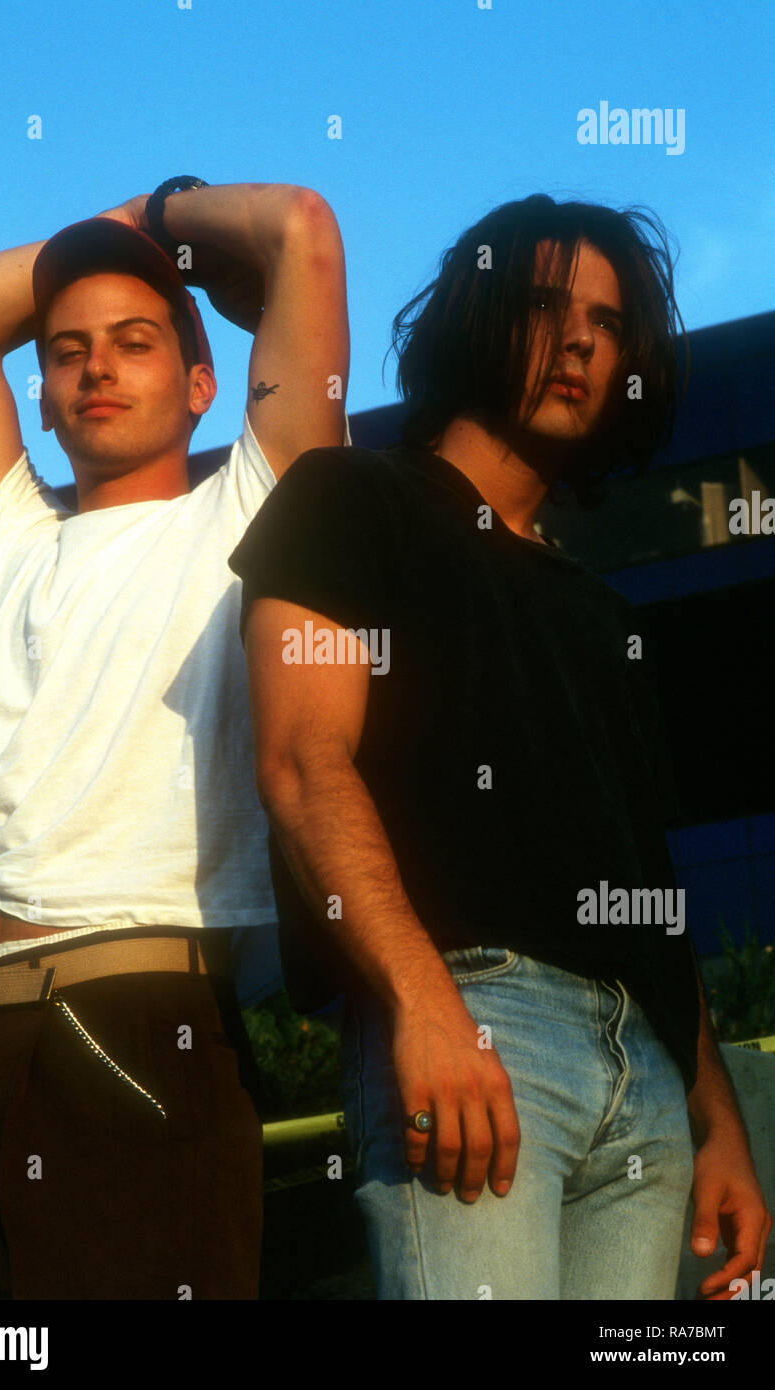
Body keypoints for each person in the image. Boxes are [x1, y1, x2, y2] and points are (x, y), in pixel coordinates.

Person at [228, 194, 770, 1300]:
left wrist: (714, 1118)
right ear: (474, 316)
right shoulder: (347, 496)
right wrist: (425, 1006)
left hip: (645, 1082)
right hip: (476, 1026)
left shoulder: (602, 614)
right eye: (540, 304)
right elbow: (299, 764)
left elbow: (646, 890)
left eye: (608, 323)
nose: (579, 339)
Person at [0, 179, 349, 1299]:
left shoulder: (251, 511)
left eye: (135, 342)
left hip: (125, 1036)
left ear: (203, 383)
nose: (95, 366)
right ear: (40, 400)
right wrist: (122, 234)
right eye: (65, 351)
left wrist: (166, 218)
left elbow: (300, 232)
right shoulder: (4, 535)